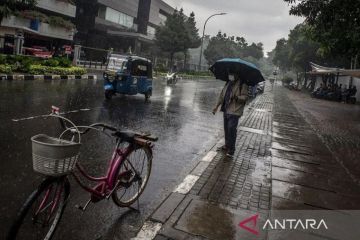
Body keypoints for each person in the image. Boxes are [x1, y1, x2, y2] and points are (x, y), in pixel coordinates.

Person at [212, 73, 249, 158]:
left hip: (235, 110)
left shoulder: (242, 84)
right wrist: (216, 106)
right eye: (229, 73)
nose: (230, 75)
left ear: (237, 74)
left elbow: (245, 97)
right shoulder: (228, 83)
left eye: (232, 74)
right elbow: (222, 96)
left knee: (231, 129)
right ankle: (227, 145)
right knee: (226, 129)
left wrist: (237, 98)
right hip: (226, 109)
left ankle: (231, 150)